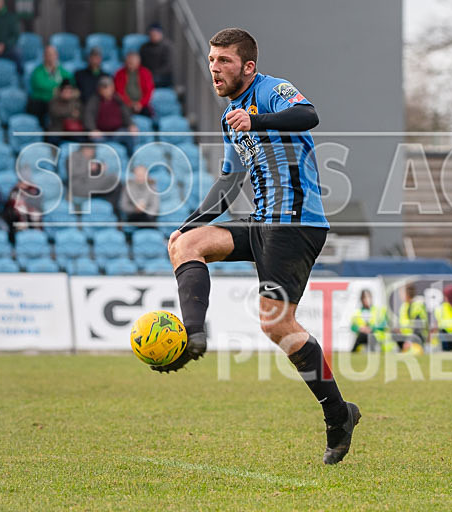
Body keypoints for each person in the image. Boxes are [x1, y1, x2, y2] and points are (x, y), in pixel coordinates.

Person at [158, 28, 360, 465]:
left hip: (297, 223)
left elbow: (309, 115)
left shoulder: (272, 91)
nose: (215, 68)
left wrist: (258, 120)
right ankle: (193, 337)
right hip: (263, 222)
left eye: (224, 61)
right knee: (187, 243)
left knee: (276, 326)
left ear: (247, 66)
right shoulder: (231, 113)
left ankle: (338, 414)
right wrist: (188, 223)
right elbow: (230, 182)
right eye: (212, 60)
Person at [82, 76, 138, 150]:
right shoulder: (94, 101)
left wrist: (131, 124)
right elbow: (88, 116)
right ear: (99, 89)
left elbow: (126, 114)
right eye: (104, 87)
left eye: (109, 86)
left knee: (129, 136)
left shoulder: (117, 99)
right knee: (94, 140)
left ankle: (132, 159)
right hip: (101, 133)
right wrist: (92, 129)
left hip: (117, 131)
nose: (107, 89)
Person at [68, 145, 121, 210]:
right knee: (113, 181)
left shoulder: (93, 158)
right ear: (83, 149)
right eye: (89, 149)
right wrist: (89, 167)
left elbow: (97, 174)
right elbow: (74, 172)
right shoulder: (73, 157)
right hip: (81, 185)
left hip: (94, 185)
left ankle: (112, 210)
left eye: (93, 149)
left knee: (115, 182)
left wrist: (101, 169)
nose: (91, 151)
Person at [28, 45, 73, 122]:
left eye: (53, 54)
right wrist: (58, 87)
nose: (51, 57)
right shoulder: (37, 71)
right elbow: (41, 85)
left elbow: (69, 82)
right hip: (42, 103)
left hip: (58, 102)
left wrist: (58, 89)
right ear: (44, 56)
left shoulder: (62, 71)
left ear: (57, 56)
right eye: (48, 54)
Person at [2, 166, 42, 234]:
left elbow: (38, 201)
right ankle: (22, 234)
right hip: (15, 213)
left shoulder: (34, 189)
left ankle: (37, 234)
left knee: (36, 214)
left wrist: (29, 206)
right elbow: (11, 201)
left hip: (30, 209)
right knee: (21, 210)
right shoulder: (15, 189)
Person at [114, 51, 154, 116]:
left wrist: (140, 104)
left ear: (138, 63)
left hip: (142, 104)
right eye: (128, 61)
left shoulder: (145, 73)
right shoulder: (119, 74)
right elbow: (119, 92)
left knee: (149, 115)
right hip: (126, 104)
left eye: (131, 62)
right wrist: (129, 103)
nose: (129, 63)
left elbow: (149, 91)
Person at [47, 79, 83, 144]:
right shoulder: (54, 101)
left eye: (69, 91)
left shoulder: (76, 101)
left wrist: (72, 114)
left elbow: (79, 114)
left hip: (71, 130)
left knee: (81, 140)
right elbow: (55, 112)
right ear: (61, 91)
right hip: (57, 129)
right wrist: (71, 113)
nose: (67, 93)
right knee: (53, 141)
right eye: (65, 91)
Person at [394, 283, 428, 351]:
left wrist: (409, 341)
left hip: (417, 337)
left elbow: (418, 328)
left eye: (401, 293)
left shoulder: (417, 306)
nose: (400, 295)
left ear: (407, 293)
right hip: (406, 335)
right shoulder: (404, 306)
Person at [139, 23, 173, 88]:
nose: (153, 36)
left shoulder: (167, 47)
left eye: (155, 34)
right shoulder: (144, 47)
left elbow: (167, 66)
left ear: (161, 34)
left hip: (162, 76)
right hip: (146, 74)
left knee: (150, 80)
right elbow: (141, 63)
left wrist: (152, 74)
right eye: (151, 34)